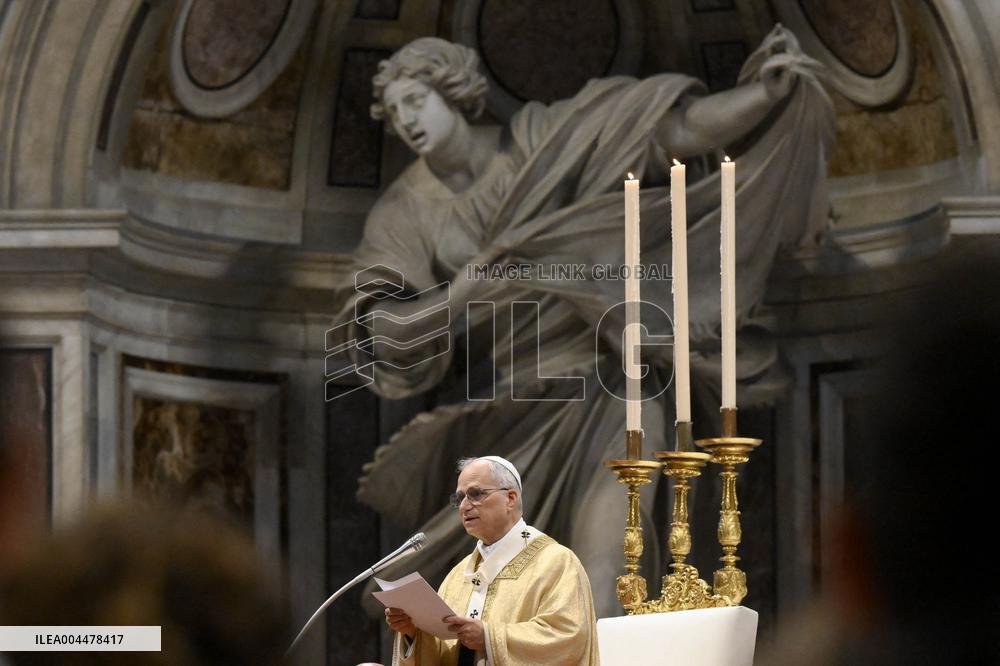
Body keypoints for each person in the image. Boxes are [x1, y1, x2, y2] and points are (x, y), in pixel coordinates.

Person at [338, 29, 834, 615]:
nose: (406, 121)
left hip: (608, 379)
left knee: (609, 558)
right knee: (503, 599)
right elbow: (382, 332)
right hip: (502, 411)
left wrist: (763, 96)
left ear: (454, 91)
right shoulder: (403, 212)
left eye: (415, 101)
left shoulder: (546, 142)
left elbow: (673, 133)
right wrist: (461, 293)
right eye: (394, 113)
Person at [385, 456, 598, 665]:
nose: (464, 506)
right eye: (459, 498)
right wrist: (413, 634)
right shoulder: (459, 576)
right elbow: (445, 653)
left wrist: (489, 638)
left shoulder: (555, 562)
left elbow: (569, 637)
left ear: (511, 498)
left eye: (475, 494)